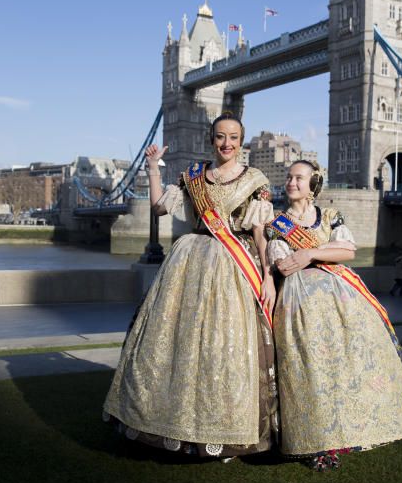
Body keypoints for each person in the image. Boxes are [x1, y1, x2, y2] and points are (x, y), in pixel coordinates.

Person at [103, 112, 278, 459]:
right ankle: (169, 425)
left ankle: (225, 432)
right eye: (220, 137)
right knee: (179, 341)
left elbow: (260, 232)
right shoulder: (194, 176)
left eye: (233, 137)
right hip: (189, 262)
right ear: (211, 140)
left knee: (225, 344)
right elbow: (158, 209)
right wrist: (153, 168)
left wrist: (268, 275)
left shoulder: (255, 180)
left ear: (241, 142)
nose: (226, 143)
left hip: (234, 265)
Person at [266, 161, 402, 470]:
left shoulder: (330, 215)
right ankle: (315, 438)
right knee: (310, 368)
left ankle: (352, 424)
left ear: (313, 184)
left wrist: (311, 253)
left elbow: (347, 250)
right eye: (289, 177)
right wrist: (317, 252)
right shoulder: (275, 223)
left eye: (298, 178)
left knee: (346, 364)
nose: (291, 182)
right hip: (299, 304)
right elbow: (283, 263)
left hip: (342, 300)